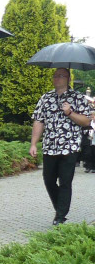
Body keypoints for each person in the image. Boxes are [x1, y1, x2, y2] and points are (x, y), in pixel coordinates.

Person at [30, 68, 93, 225]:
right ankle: (60, 208)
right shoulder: (46, 98)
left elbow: (86, 122)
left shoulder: (78, 98)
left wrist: (70, 113)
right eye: (55, 75)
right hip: (50, 146)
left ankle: (60, 217)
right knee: (48, 179)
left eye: (61, 76)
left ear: (68, 79)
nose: (57, 78)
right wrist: (33, 144)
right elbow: (39, 121)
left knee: (65, 181)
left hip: (69, 146)